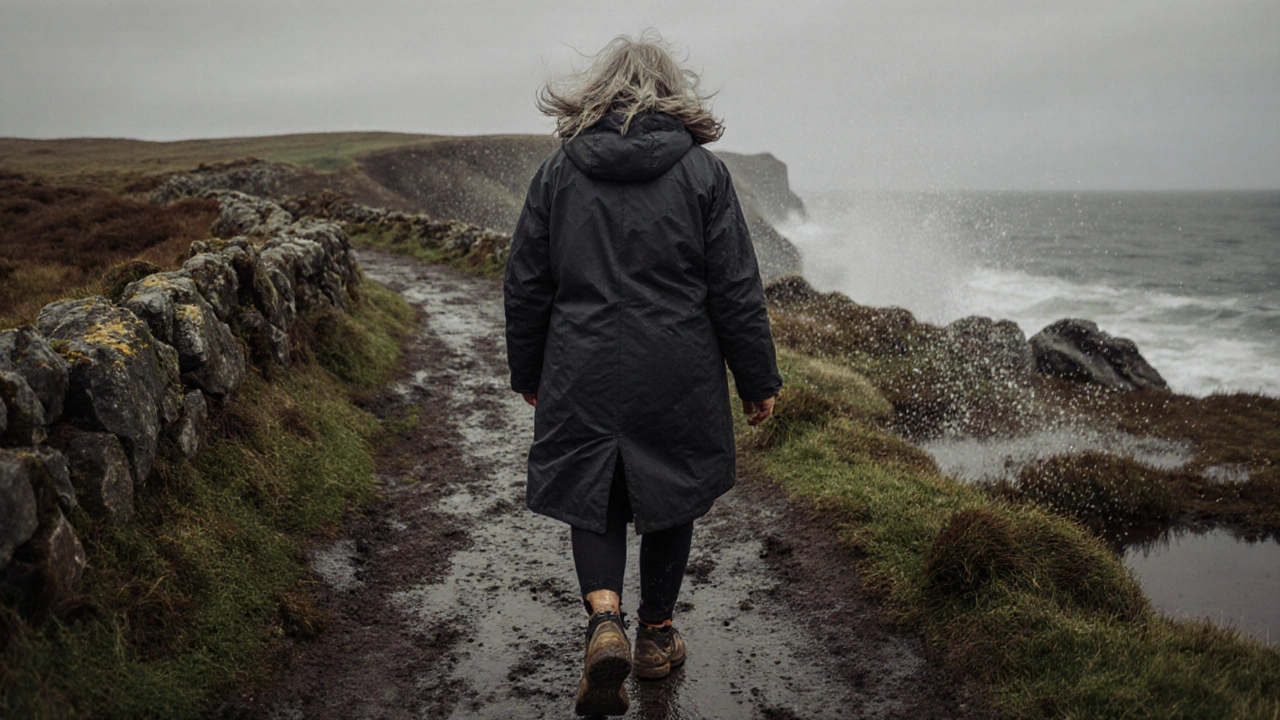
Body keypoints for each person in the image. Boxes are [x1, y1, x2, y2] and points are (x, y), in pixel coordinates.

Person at [504, 31, 781, 717]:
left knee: (592, 491)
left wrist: (529, 370)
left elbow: (526, 284)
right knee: (672, 487)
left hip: (583, 365)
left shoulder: (558, 173)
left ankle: (604, 621)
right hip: (677, 368)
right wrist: (757, 381)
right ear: (672, 91)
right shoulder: (702, 174)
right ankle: (655, 637)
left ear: (596, 91)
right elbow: (735, 287)